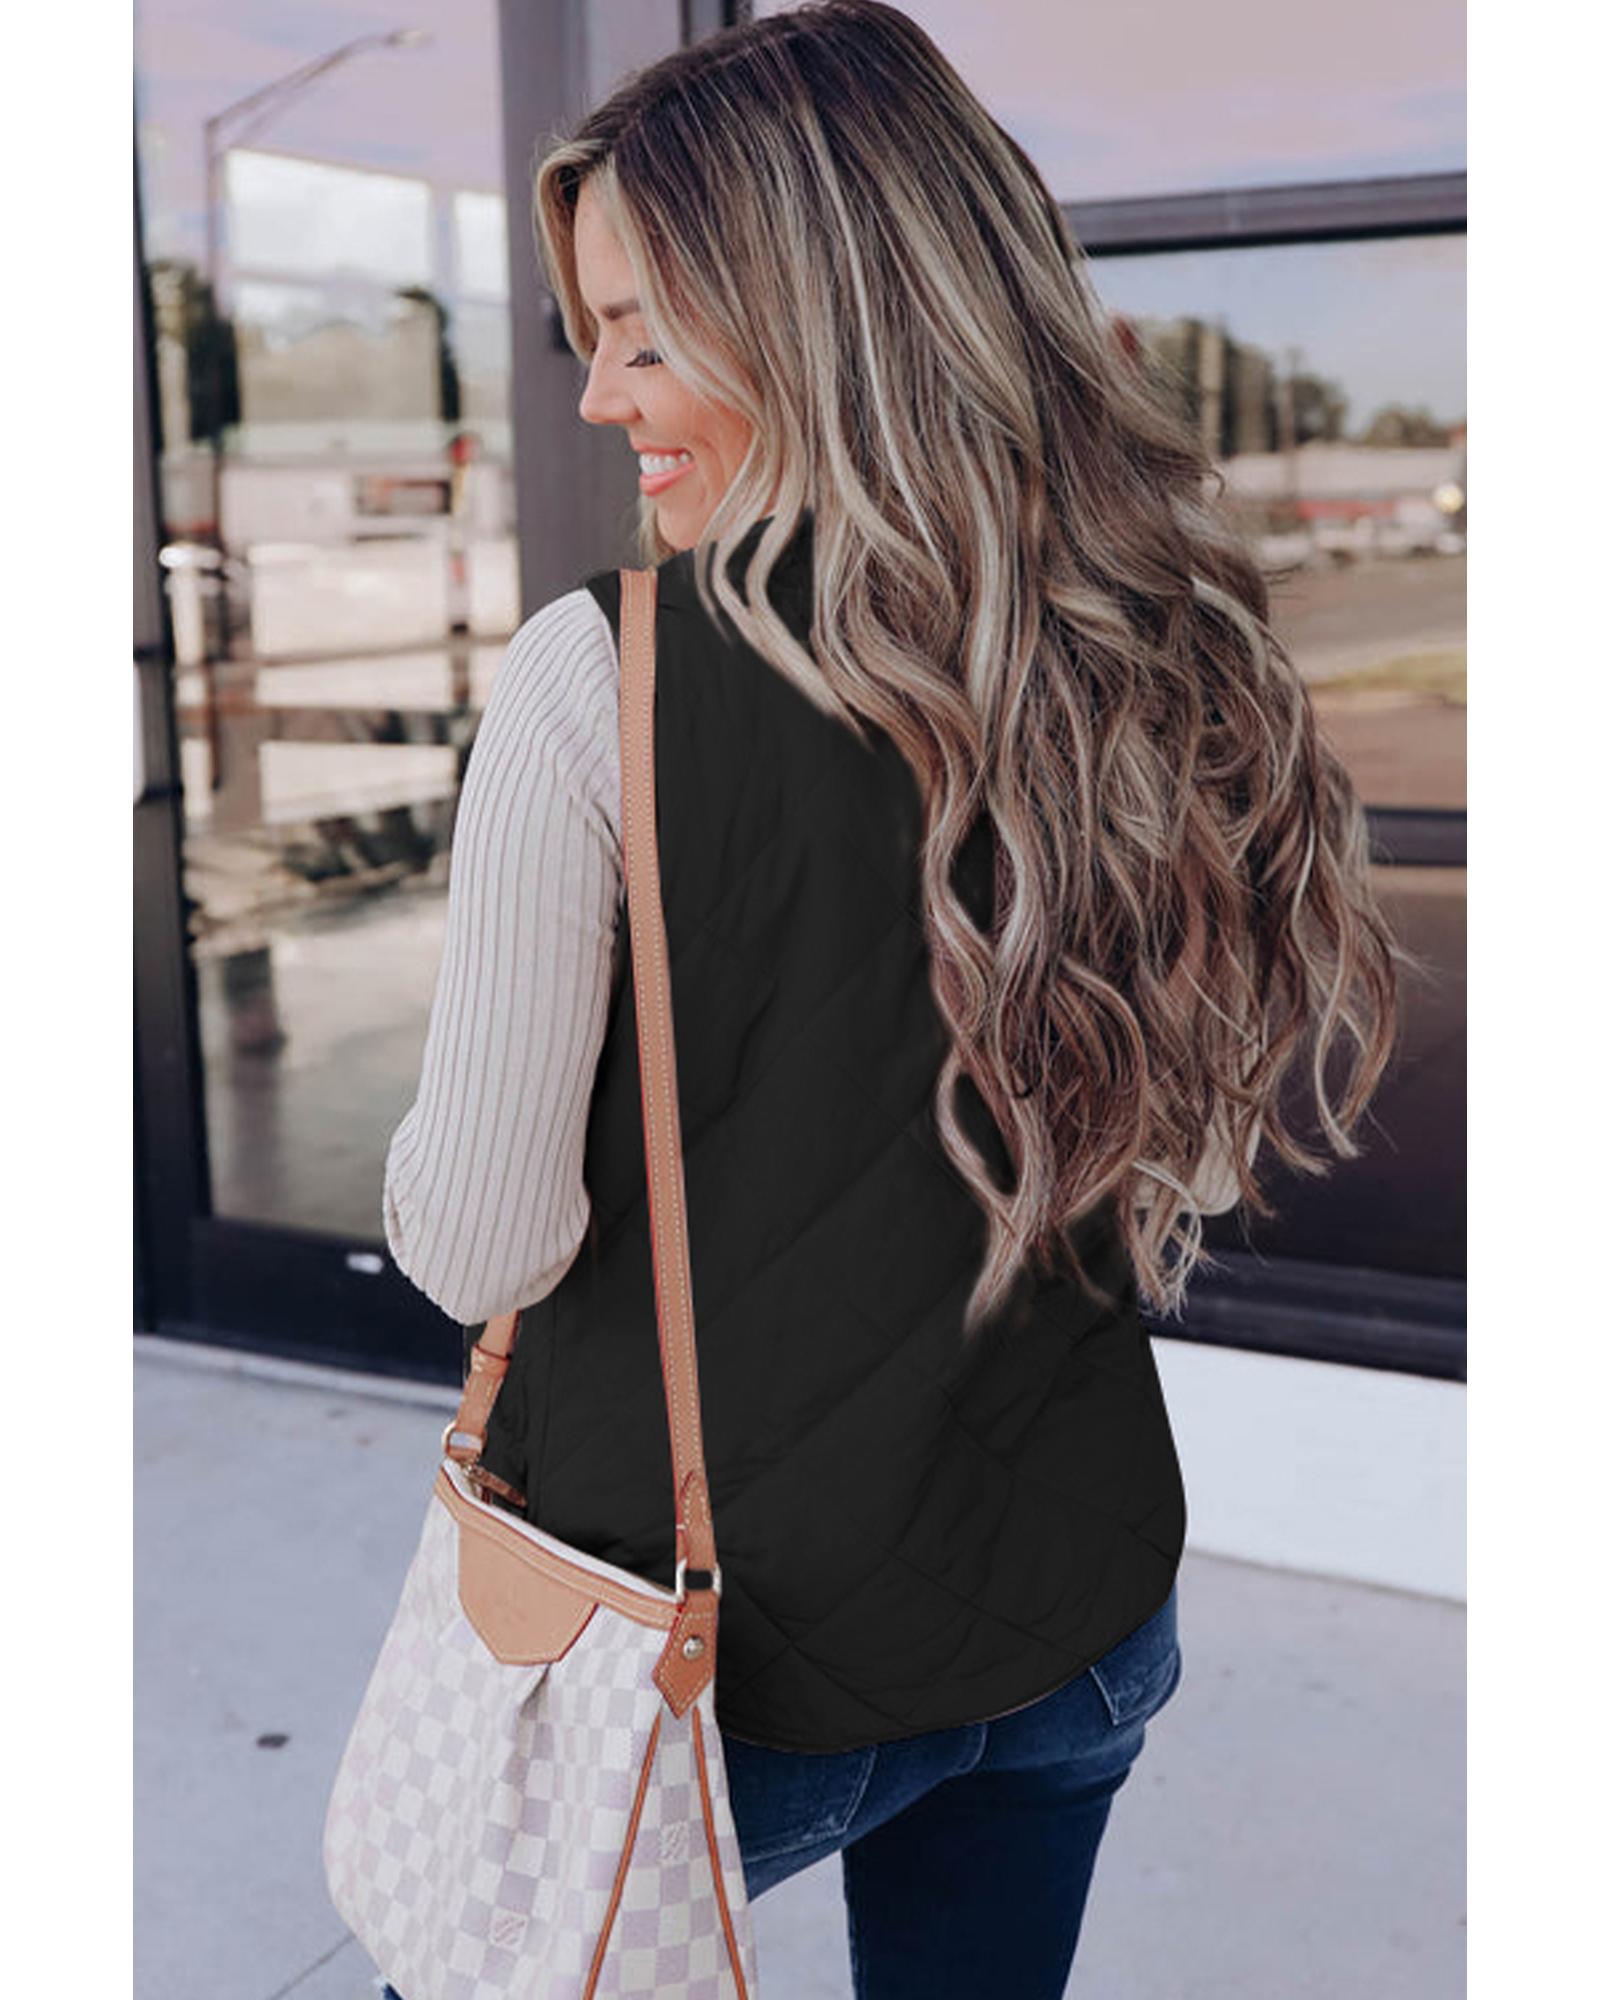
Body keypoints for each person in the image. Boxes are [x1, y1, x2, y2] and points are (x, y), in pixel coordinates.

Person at [376, 5, 1406, 1993]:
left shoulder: (603, 678)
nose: (594, 395)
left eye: (644, 333)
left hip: (705, 1662)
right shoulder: (1160, 647)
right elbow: (1181, 1156)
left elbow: (481, 1244)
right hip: (1075, 1611)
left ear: (820, 321)